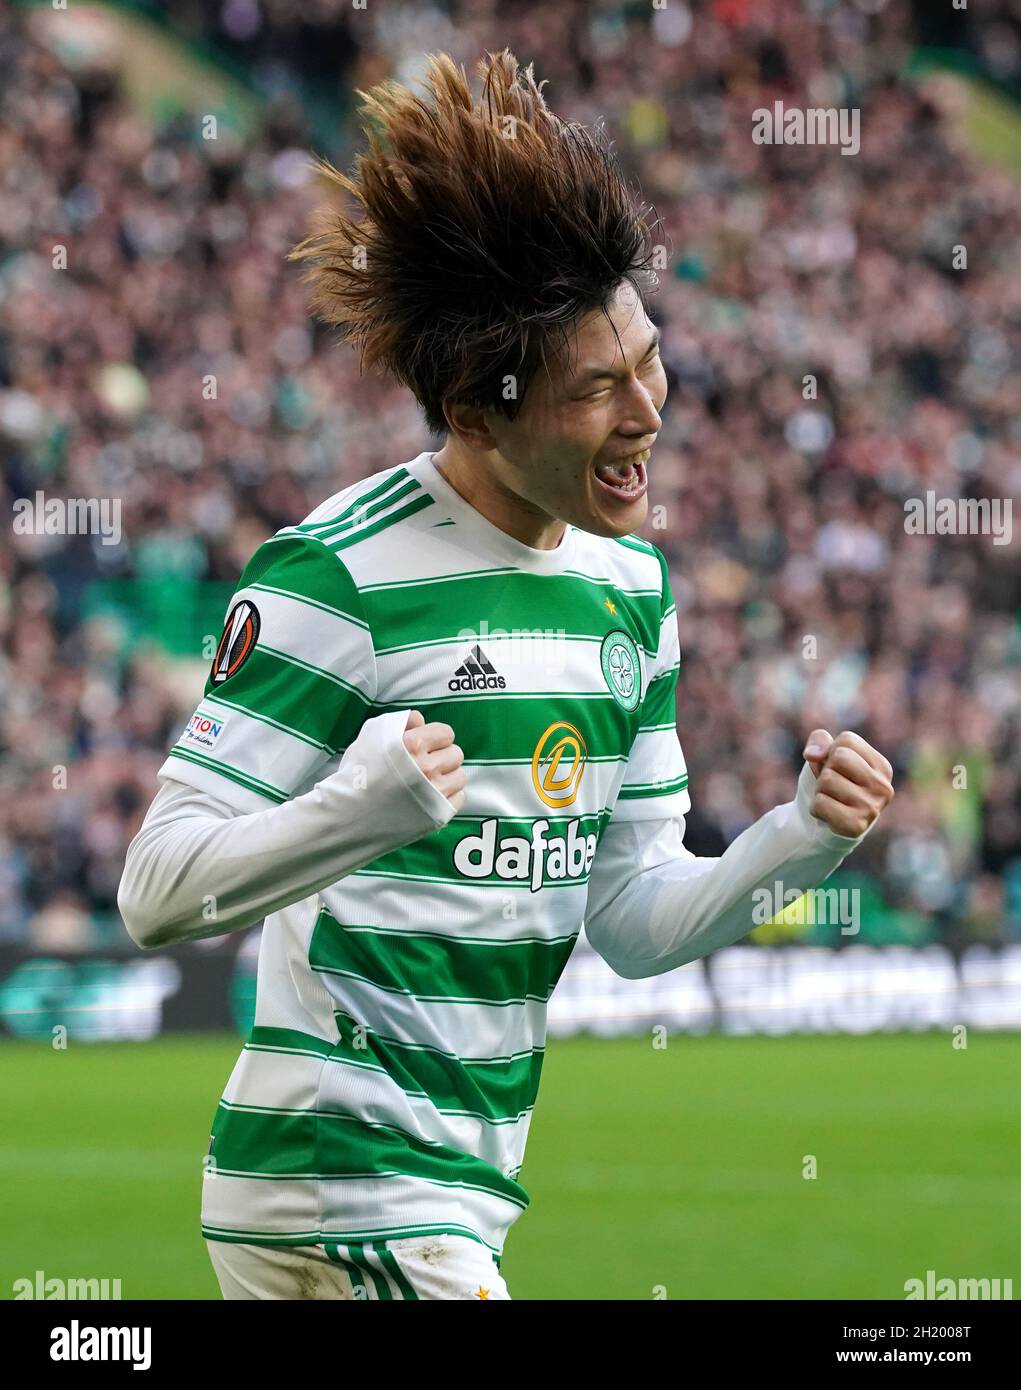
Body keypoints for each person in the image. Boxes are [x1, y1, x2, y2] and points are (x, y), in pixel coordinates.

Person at [117, 50, 894, 1301]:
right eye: (597, 389)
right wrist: (353, 812)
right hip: (340, 1188)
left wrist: (797, 839)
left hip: (453, 1202)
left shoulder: (630, 593)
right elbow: (154, 892)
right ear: (484, 411)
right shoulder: (338, 577)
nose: (646, 410)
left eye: (647, 358)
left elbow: (634, 920)